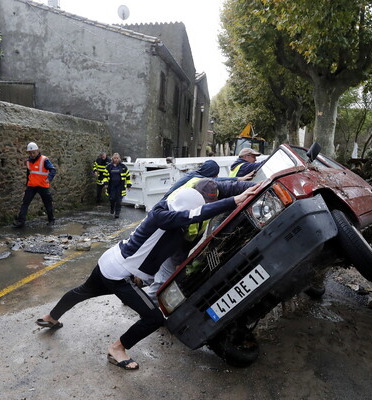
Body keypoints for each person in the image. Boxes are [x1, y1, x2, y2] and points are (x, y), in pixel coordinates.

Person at [35, 183, 259, 371]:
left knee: (82, 292)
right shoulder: (166, 217)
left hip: (109, 262)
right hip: (119, 273)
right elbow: (193, 214)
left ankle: (51, 317)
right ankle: (117, 349)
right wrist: (234, 200)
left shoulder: (163, 208)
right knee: (154, 319)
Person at [144, 177, 258, 301]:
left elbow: (235, 186)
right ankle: (148, 307)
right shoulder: (184, 209)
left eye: (211, 201)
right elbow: (180, 245)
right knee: (166, 276)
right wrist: (179, 263)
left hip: (183, 239)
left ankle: (137, 283)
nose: (207, 204)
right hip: (171, 242)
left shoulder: (209, 186)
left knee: (157, 269)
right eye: (205, 201)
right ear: (195, 194)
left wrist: (265, 184)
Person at [13, 142, 57, 228]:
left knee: (47, 203)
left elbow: (53, 170)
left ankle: (51, 220)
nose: (32, 154)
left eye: (33, 152)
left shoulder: (44, 160)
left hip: (43, 185)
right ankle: (20, 221)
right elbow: (29, 173)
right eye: (30, 153)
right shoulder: (28, 161)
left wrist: (49, 179)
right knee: (25, 203)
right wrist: (27, 184)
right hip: (31, 185)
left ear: (37, 151)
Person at [105, 153, 131, 218]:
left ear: (119, 158)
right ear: (112, 159)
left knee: (119, 200)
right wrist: (106, 183)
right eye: (114, 158)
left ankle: (117, 213)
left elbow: (127, 176)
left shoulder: (123, 167)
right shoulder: (109, 167)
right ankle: (112, 208)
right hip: (111, 186)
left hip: (120, 186)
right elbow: (105, 176)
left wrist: (128, 184)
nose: (116, 159)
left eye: (117, 158)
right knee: (112, 199)